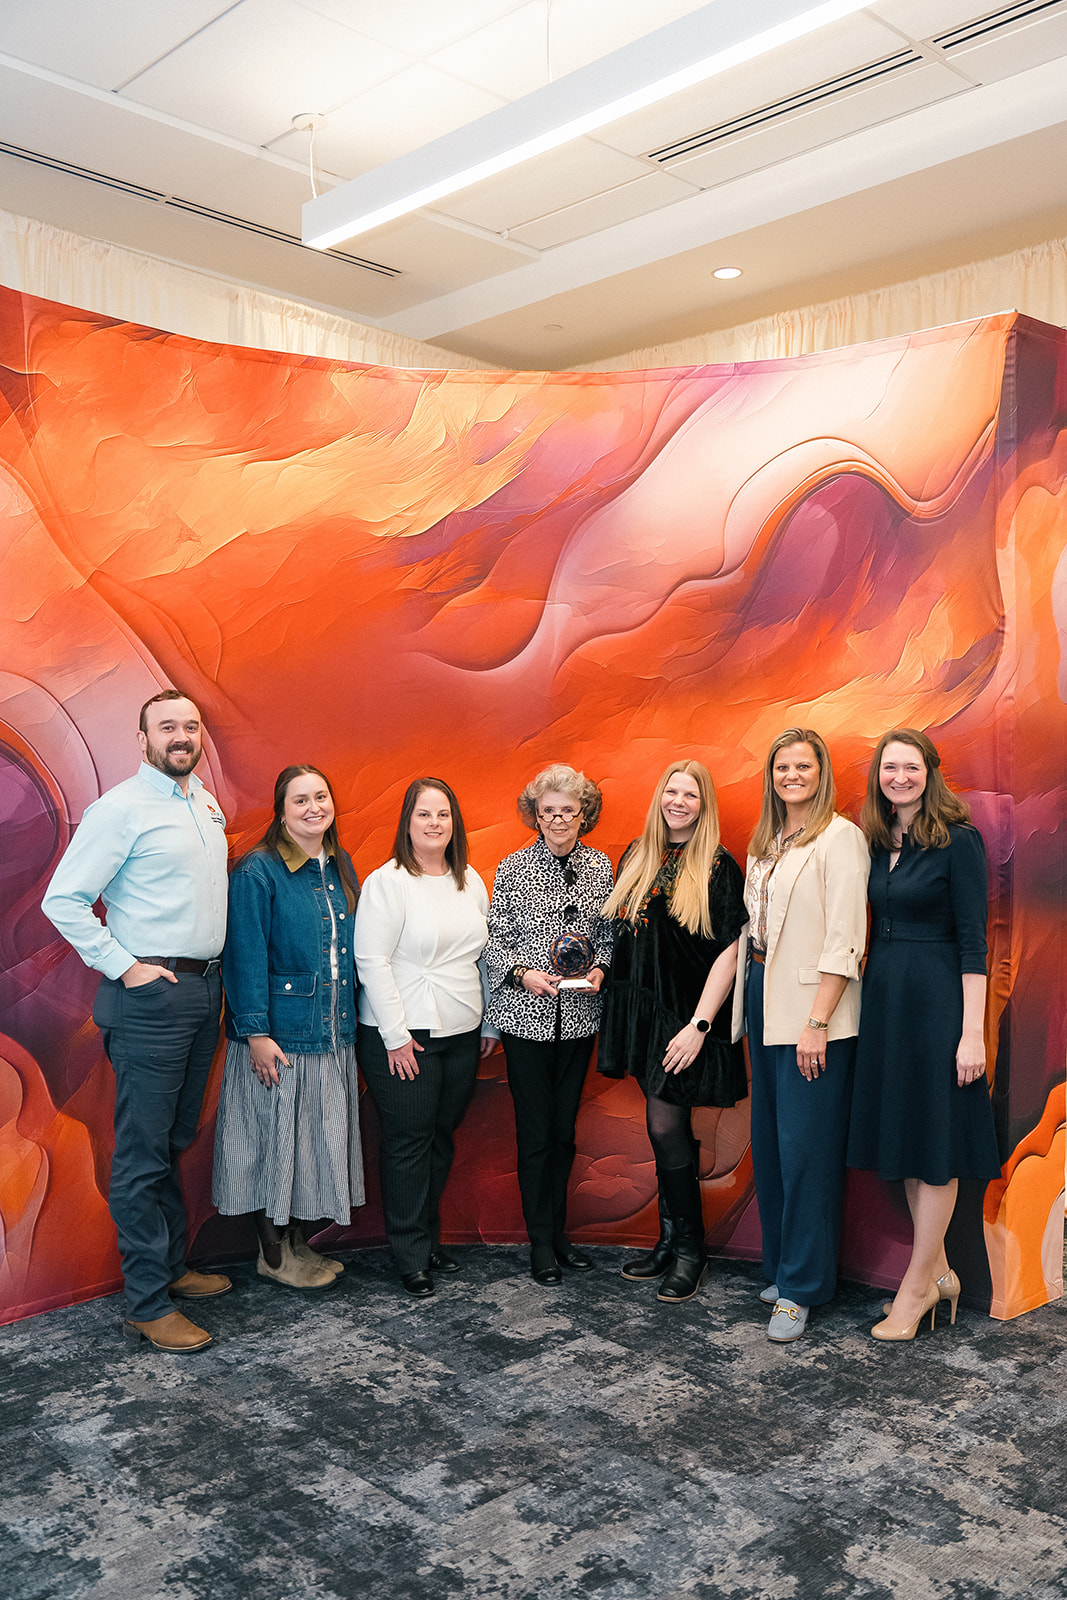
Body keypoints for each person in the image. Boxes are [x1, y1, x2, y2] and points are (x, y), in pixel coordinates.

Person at [42, 690, 230, 1353]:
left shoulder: (204, 803)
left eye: (190, 725)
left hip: (204, 993)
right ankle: (147, 1303)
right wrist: (122, 966)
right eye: (166, 727)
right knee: (142, 1153)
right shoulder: (120, 808)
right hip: (151, 996)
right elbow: (62, 899)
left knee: (174, 1138)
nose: (181, 736)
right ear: (143, 739)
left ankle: (172, 1267)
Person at [847, 728, 1000, 1341]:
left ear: (931, 772)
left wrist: (972, 1034)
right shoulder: (877, 840)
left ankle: (915, 1289)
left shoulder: (958, 841)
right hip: (886, 1002)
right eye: (890, 768)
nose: (900, 778)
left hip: (938, 1002)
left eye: (911, 767)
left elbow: (973, 942)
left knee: (935, 1143)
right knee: (907, 1140)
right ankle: (938, 1272)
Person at [733, 727, 868, 1342]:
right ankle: (784, 1267)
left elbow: (846, 939)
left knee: (808, 1150)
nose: (791, 775)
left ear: (822, 773)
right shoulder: (767, 841)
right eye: (781, 766)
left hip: (815, 1011)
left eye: (802, 766)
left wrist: (818, 1022)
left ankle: (804, 1288)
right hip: (762, 996)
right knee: (773, 1144)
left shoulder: (842, 839)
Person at [598, 761, 747, 1303]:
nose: (678, 801)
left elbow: (731, 952)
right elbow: (625, 937)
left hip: (688, 1021)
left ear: (703, 804)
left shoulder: (719, 867)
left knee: (664, 1128)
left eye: (691, 794)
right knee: (670, 1130)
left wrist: (699, 1027)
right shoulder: (638, 855)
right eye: (671, 791)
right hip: (642, 1016)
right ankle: (668, 1240)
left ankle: (691, 1251)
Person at [213, 765, 365, 1289]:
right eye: (300, 800)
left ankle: (296, 1242)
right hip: (281, 1038)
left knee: (306, 1151)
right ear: (281, 811)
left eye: (321, 796)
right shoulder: (259, 871)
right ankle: (272, 1255)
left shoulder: (338, 863)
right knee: (273, 1150)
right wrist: (255, 1032)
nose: (313, 808)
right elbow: (245, 955)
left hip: (330, 1034)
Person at [354, 779, 494, 1298]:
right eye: (423, 815)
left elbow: (484, 956)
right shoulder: (387, 882)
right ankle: (410, 1255)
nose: (434, 823)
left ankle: (429, 1241)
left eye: (442, 814)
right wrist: (394, 1037)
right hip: (402, 1033)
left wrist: (488, 1025)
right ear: (407, 823)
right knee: (409, 1142)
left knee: (439, 1137)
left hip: (460, 1031)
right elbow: (372, 961)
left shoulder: (469, 880)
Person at [483, 764, 613, 1286]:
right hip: (526, 1019)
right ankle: (540, 1243)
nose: (558, 819)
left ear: (584, 814)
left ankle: (560, 1235)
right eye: (548, 811)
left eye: (568, 810)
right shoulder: (512, 868)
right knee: (536, 1134)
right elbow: (495, 943)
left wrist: (601, 966)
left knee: (564, 1134)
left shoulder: (601, 867)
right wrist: (523, 973)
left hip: (579, 1020)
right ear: (535, 816)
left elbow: (606, 935)